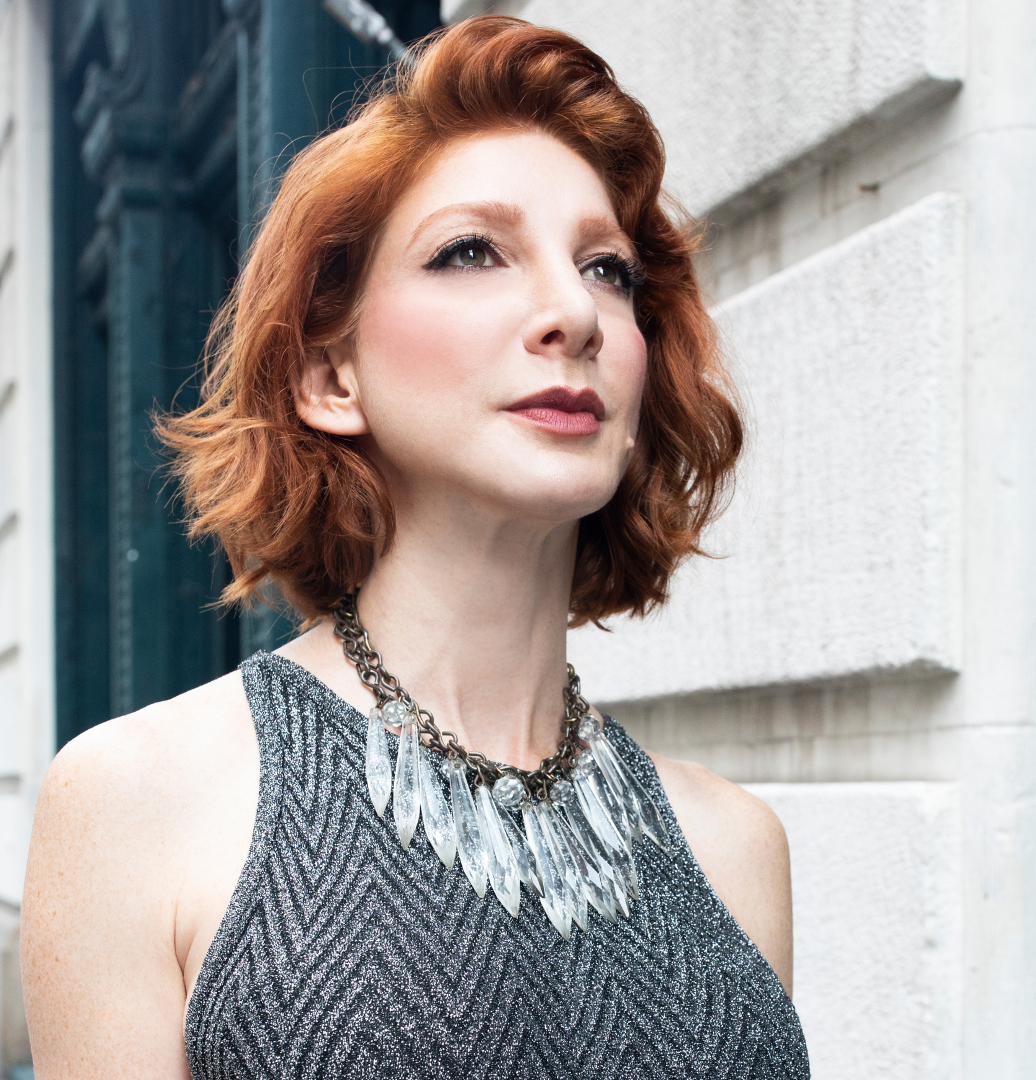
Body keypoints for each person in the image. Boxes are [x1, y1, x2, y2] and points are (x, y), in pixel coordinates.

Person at [21, 16, 809, 1079]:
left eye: (608, 269)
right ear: (329, 379)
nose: (571, 310)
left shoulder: (736, 850)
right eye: (472, 251)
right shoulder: (136, 805)